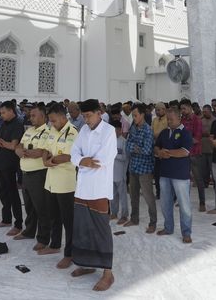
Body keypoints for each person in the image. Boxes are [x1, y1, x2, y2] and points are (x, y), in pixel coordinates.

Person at [70, 98, 117, 292]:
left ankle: (108, 273)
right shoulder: (83, 130)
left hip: (98, 189)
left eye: (88, 116)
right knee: (83, 227)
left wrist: (85, 162)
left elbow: (102, 160)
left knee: (101, 230)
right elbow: (73, 154)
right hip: (82, 188)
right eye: (84, 116)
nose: (86, 119)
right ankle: (87, 264)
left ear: (99, 113)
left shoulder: (109, 131)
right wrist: (83, 161)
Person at [39, 102, 79, 269]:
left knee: (68, 221)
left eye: (54, 120)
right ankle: (55, 245)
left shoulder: (73, 132)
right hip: (51, 181)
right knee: (53, 215)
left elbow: (70, 156)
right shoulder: (51, 131)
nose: (51, 123)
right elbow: (46, 149)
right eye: (50, 121)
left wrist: (52, 160)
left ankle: (70, 254)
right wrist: (45, 159)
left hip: (65, 183)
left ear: (63, 118)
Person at [154, 106, 193, 243]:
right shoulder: (164, 132)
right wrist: (159, 152)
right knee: (165, 203)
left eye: (171, 119)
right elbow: (156, 146)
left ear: (179, 118)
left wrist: (167, 153)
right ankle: (168, 227)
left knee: (184, 205)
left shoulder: (185, 133)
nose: (169, 121)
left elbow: (185, 151)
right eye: (167, 119)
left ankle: (186, 232)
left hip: (180, 175)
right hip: (165, 173)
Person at [15, 104, 52, 247]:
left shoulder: (47, 132)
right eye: (30, 115)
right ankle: (29, 231)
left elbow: (41, 152)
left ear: (43, 116)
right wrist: (19, 150)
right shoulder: (29, 130)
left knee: (41, 206)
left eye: (34, 115)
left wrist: (24, 152)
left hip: (39, 174)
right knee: (29, 205)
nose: (31, 118)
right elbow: (19, 145)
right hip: (26, 173)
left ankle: (43, 238)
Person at [0, 101, 25, 235]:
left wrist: (0, 142)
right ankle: (6, 219)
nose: (2, 115)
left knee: (12, 194)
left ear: (12, 111)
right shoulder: (2, 123)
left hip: (10, 164)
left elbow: (13, 146)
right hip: (0, 162)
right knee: (3, 192)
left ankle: (18, 223)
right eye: (0, 113)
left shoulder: (17, 123)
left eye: (4, 112)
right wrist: (0, 142)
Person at [124, 103, 157, 233]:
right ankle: (134, 218)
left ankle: (153, 222)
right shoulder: (133, 128)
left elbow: (147, 150)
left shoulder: (148, 130)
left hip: (145, 169)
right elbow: (128, 145)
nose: (134, 118)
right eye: (133, 116)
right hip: (133, 167)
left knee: (149, 197)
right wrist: (135, 147)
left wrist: (134, 147)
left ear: (142, 115)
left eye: (135, 115)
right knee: (133, 196)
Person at [179, 99, 206, 212]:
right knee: (184, 178)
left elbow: (197, 139)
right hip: (183, 153)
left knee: (198, 179)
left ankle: (202, 202)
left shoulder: (197, 120)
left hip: (194, 153)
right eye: (181, 109)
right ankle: (184, 201)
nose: (182, 111)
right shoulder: (182, 120)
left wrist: (184, 141)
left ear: (190, 108)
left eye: (184, 108)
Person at [110, 120, 129, 225]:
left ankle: (124, 215)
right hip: (111, 174)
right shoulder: (109, 141)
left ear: (120, 129)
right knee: (113, 195)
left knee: (123, 196)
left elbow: (125, 157)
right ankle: (114, 213)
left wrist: (114, 155)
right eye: (113, 129)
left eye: (117, 129)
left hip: (120, 173)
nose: (115, 131)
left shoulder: (123, 142)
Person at [151, 102, 168, 199]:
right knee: (157, 173)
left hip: (165, 149)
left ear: (164, 110)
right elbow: (151, 132)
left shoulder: (168, 120)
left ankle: (167, 194)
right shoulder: (154, 120)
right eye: (156, 110)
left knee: (166, 173)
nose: (157, 112)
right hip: (156, 150)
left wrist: (158, 135)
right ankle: (158, 193)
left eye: (159, 110)